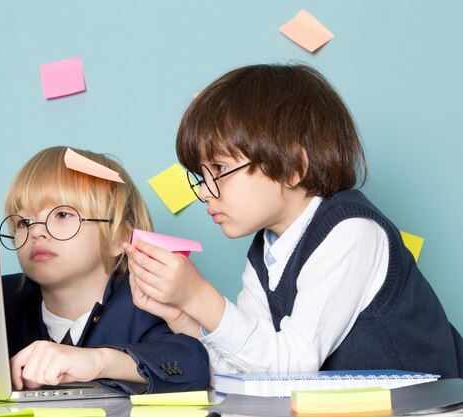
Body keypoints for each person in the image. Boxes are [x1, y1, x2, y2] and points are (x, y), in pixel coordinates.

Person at [124, 64, 463, 378]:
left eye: (220, 170)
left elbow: (293, 365)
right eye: (202, 175)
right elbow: (250, 368)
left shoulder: (351, 232)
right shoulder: (266, 252)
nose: (207, 192)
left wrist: (199, 297)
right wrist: (181, 315)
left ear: (291, 167)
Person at [0, 146, 210, 394]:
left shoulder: (143, 300)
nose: (36, 231)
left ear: (117, 237)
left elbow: (194, 363)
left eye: (63, 214)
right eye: (24, 222)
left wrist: (99, 361)